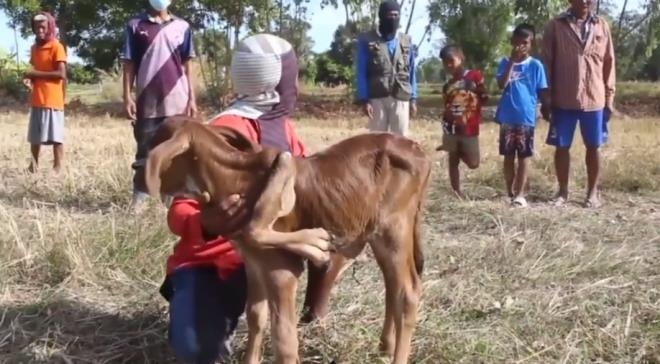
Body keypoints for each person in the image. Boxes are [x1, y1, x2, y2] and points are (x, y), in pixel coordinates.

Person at [159, 33, 347, 364]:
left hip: (272, 252)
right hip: (218, 262)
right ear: (272, 86)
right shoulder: (223, 132)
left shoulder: (283, 130)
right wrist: (206, 221)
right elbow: (180, 209)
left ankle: (313, 314)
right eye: (293, 80)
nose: (297, 89)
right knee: (198, 350)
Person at [120, 0, 198, 212]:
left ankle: (172, 202)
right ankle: (140, 201)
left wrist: (192, 98)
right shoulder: (135, 25)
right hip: (148, 101)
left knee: (177, 154)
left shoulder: (182, 27)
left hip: (178, 100)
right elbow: (129, 64)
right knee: (145, 152)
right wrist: (127, 96)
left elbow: (187, 65)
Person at [542, 0, 616, 208]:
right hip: (563, 98)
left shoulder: (601, 25)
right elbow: (546, 63)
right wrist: (546, 97)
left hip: (595, 98)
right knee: (562, 146)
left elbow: (609, 62)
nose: (585, 1)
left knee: (593, 146)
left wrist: (610, 96)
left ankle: (592, 193)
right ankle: (562, 191)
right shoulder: (555, 25)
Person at [494, 23, 549, 207]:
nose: (520, 46)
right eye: (517, 42)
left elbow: (542, 91)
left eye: (525, 42)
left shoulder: (535, 65)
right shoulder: (504, 62)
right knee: (508, 156)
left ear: (531, 44)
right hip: (507, 117)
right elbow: (502, 84)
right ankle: (509, 191)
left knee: (524, 156)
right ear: (512, 42)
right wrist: (512, 61)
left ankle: (520, 194)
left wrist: (547, 109)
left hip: (526, 118)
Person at [355, 0, 418, 137]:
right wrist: (364, 100)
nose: (393, 19)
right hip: (377, 97)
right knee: (377, 140)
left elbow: (412, 71)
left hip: (401, 96)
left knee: (400, 140)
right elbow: (361, 72)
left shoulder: (406, 41)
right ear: (382, 16)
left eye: (396, 15)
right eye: (390, 15)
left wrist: (413, 98)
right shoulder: (367, 40)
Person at [436, 45, 488, 198]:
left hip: (470, 129)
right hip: (451, 128)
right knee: (452, 160)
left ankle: (461, 151)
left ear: (461, 58)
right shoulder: (447, 85)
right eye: (445, 62)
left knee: (474, 163)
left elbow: (484, 96)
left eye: (452, 60)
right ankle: (456, 191)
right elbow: (447, 107)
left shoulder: (474, 76)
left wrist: (479, 93)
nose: (449, 65)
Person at [23, 11, 67, 173]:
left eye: (42, 26)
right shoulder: (34, 48)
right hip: (37, 98)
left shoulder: (57, 46)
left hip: (53, 99)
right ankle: (33, 165)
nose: (39, 30)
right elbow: (34, 70)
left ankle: (57, 167)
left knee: (56, 137)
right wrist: (29, 79)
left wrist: (34, 75)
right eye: (36, 27)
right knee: (35, 137)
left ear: (49, 27)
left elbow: (61, 74)